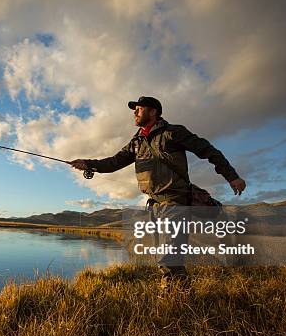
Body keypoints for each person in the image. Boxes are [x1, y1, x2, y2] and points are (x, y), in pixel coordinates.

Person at [70, 96, 246, 289]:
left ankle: (175, 301)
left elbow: (209, 151)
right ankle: (181, 296)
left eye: (139, 108)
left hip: (175, 201)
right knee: (164, 256)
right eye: (134, 109)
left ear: (153, 111)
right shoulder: (136, 142)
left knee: (168, 258)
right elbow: (114, 162)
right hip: (155, 205)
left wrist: (232, 176)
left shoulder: (174, 133)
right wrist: (88, 164)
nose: (134, 112)